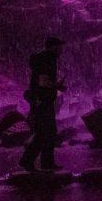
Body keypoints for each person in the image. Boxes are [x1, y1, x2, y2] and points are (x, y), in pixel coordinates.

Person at [19, 36, 67, 173]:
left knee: (50, 132)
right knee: (43, 133)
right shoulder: (47, 58)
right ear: (53, 47)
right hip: (41, 101)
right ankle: (27, 161)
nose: (61, 50)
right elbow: (42, 81)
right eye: (59, 47)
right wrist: (57, 86)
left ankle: (47, 163)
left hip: (44, 100)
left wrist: (56, 87)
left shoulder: (47, 58)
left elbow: (42, 80)